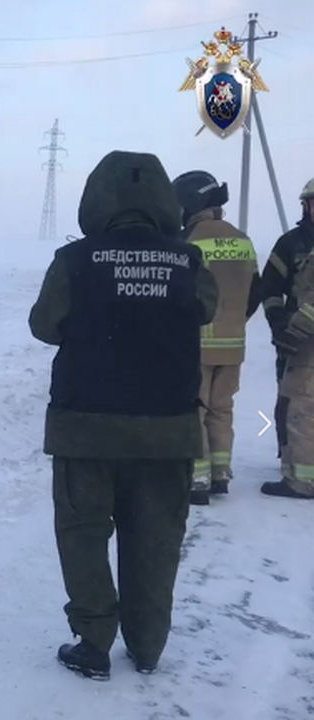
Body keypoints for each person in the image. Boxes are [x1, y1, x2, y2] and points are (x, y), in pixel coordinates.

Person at [30, 150, 218, 681]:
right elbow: (205, 309)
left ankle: (93, 644)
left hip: (86, 427)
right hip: (166, 431)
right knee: (155, 540)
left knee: (84, 535)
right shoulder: (188, 262)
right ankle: (148, 645)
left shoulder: (75, 260)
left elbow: (45, 325)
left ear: (98, 198)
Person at [171, 171, 259, 504]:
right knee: (222, 409)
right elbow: (256, 291)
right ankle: (221, 474)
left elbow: (180, 293)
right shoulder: (242, 240)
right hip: (233, 345)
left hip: (196, 344)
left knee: (195, 410)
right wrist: (234, 321)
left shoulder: (188, 240)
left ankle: (197, 479)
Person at [255, 178, 314, 499]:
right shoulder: (291, 243)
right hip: (296, 343)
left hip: (303, 335)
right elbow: (270, 287)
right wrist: (279, 325)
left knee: (303, 407)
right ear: (306, 207)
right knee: (291, 405)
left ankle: (302, 477)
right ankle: (293, 461)